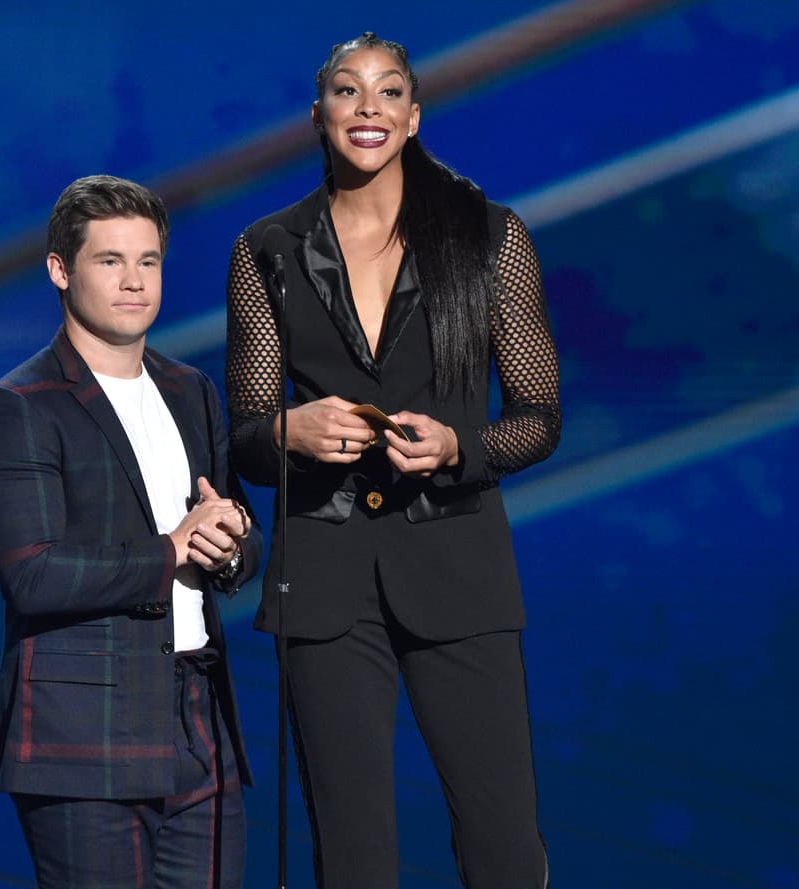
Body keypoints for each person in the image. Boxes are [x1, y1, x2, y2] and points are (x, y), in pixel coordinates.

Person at [225, 33, 560, 889]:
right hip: (325, 579)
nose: (367, 108)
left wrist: (461, 446)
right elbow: (247, 436)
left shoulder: (491, 236)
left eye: (387, 93)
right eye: (347, 91)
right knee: (352, 850)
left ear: (414, 116)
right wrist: (288, 433)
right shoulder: (266, 249)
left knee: (503, 841)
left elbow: (539, 417)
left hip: (457, 564)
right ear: (318, 116)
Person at [0, 174, 262, 889]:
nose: (134, 281)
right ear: (60, 269)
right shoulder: (18, 406)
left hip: (199, 717)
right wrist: (173, 549)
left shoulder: (192, 390)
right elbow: (33, 574)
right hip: (83, 730)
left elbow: (239, 536)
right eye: (110, 261)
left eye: (149, 261)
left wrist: (229, 547)